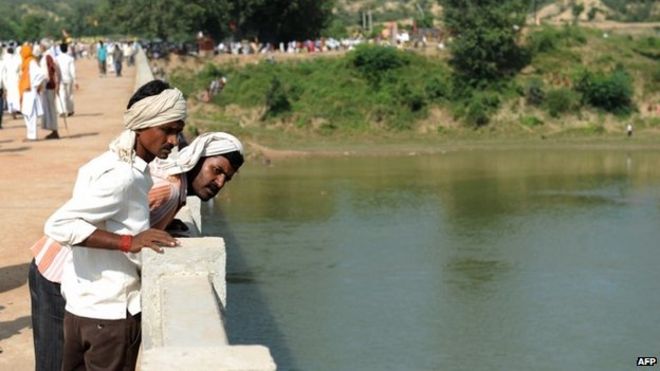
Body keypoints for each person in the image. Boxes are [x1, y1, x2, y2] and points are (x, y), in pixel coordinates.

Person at [29, 131, 243, 371]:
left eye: (227, 178)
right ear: (196, 158)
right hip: (61, 272)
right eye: (216, 170)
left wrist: (162, 224)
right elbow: (99, 223)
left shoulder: (176, 188)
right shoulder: (167, 188)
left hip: (73, 273)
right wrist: (135, 239)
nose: (220, 182)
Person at [42, 80, 185, 371]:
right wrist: (128, 242)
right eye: (167, 130)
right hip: (110, 318)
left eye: (178, 132)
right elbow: (60, 224)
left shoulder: (102, 164)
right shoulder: (125, 177)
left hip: (79, 311)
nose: (174, 141)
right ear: (142, 124)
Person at [20, 43, 46, 141]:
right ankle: (30, 134)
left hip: (30, 90)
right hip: (26, 90)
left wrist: (35, 84)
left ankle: (32, 136)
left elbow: (41, 74)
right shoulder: (26, 62)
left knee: (30, 113)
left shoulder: (31, 62)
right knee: (26, 113)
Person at [39, 39, 61, 139]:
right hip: (48, 85)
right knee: (49, 108)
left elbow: (53, 70)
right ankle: (53, 130)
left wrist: (57, 84)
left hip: (48, 85)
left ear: (43, 46)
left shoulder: (48, 56)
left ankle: (55, 131)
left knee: (51, 109)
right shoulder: (48, 56)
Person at [55, 43, 77, 117]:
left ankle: (62, 111)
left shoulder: (57, 58)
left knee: (61, 95)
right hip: (69, 78)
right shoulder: (70, 58)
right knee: (69, 95)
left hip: (60, 79)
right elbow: (72, 70)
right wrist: (75, 80)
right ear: (67, 49)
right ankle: (70, 110)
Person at [3, 46, 22, 119]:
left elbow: (4, 72)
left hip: (8, 80)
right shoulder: (17, 59)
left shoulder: (4, 59)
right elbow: (20, 70)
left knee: (10, 96)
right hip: (16, 79)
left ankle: (12, 112)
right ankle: (15, 111)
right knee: (16, 96)